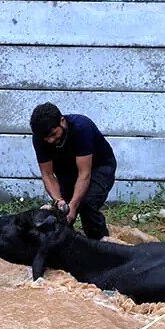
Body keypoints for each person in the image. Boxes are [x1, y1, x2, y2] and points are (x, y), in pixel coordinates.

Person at [29, 102, 117, 240]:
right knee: (63, 213)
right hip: (67, 170)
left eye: (53, 134)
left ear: (62, 121)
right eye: (46, 138)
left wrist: (74, 205)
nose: (51, 140)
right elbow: (47, 175)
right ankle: (68, 251)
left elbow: (84, 173)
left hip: (98, 167)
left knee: (87, 205)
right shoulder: (40, 137)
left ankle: (102, 247)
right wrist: (59, 201)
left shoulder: (82, 128)